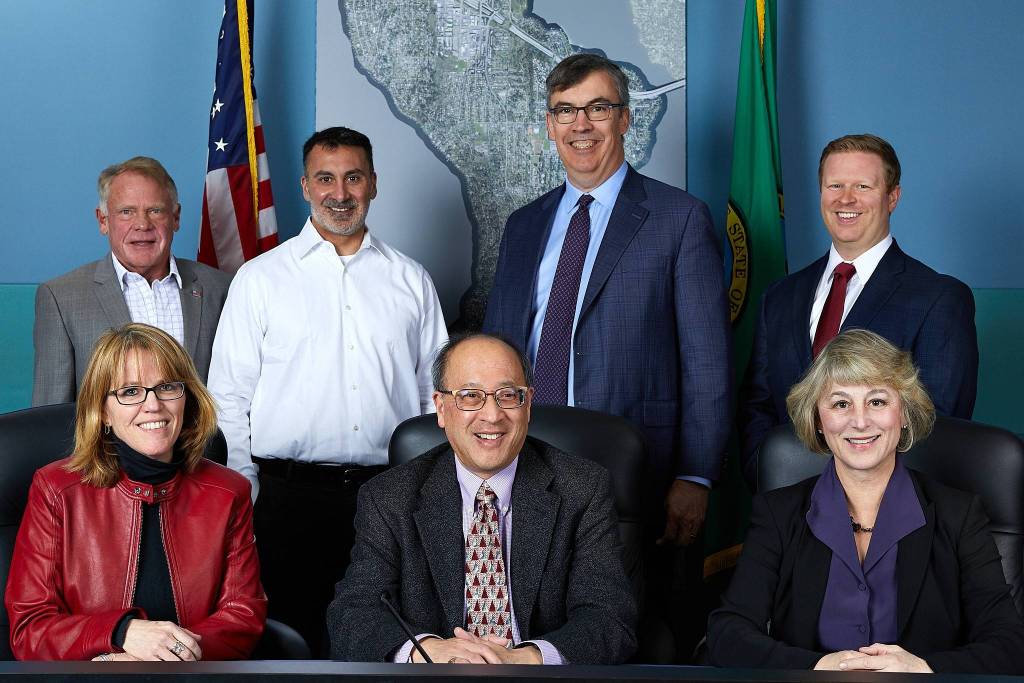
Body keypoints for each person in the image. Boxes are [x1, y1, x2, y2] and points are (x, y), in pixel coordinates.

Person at [482, 53, 731, 658]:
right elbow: (497, 352)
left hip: (635, 475)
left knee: (625, 634)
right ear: (549, 124)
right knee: (530, 627)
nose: (581, 125)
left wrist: (695, 475)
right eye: (565, 111)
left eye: (597, 108)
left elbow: (706, 361)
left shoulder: (678, 218)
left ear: (624, 119)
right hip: (525, 463)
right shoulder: (524, 225)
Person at [208, 126, 448, 656]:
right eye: (326, 178)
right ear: (305, 186)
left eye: (353, 177)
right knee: (288, 644)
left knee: (387, 643)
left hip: (388, 499)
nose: (340, 193)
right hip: (285, 500)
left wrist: (423, 495)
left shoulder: (411, 281)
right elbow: (229, 399)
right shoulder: (260, 280)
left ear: (374, 184)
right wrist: (247, 494)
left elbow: (437, 400)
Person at [709, 329, 1024, 674]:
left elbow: (1009, 643)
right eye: (841, 403)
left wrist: (924, 668)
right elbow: (728, 633)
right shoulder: (778, 514)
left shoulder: (959, 514)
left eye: (877, 401)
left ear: (903, 414)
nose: (860, 422)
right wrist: (817, 666)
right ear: (818, 420)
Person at [328, 333, 637, 664]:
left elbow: (609, 618)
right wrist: (429, 651)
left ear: (528, 404)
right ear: (442, 408)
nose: (492, 415)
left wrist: (523, 660)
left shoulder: (582, 488)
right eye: (470, 396)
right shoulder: (390, 497)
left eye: (508, 395)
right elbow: (353, 614)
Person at [6, 323, 265, 661]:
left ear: (186, 398)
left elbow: (242, 616)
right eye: (130, 392)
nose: (153, 405)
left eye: (167, 387)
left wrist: (164, 658)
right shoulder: (56, 490)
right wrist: (120, 634)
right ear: (103, 412)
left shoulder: (229, 492)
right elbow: (30, 629)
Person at [740, 134, 978, 489]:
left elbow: (936, 422)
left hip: (888, 518)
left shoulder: (939, 297)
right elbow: (757, 404)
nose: (845, 199)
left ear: (892, 197)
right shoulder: (780, 295)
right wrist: (771, 475)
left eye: (863, 186)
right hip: (785, 510)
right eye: (834, 185)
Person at [32, 157, 232, 407]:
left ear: (176, 217)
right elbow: (51, 415)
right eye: (127, 212)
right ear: (103, 220)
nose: (142, 224)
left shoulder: (221, 288)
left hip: (199, 446)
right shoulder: (61, 298)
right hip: (107, 447)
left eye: (155, 210)